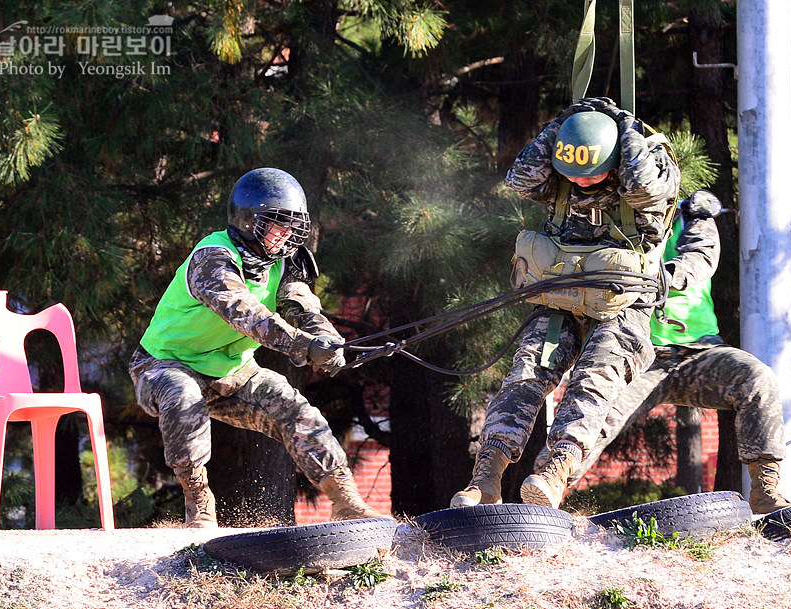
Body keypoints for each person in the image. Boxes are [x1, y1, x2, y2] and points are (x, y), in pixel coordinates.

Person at [451, 97, 681, 510]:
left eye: (594, 172)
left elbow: (645, 186)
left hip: (623, 306)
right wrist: (560, 126)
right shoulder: (562, 178)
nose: (584, 182)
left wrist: (622, 126)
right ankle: (486, 477)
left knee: (592, 383)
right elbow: (520, 178)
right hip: (561, 299)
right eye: (574, 173)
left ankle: (555, 472)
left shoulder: (644, 172)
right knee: (525, 377)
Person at [129, 167, 389, 528]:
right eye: (278, 224)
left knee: (296, 409)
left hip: (233, 372)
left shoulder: (284, 263)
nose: (287, 235)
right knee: (183, 393)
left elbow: (303, 309)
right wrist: (304, 347)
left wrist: (329, 344)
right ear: (250, 220)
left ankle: (345, 500)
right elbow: (246, 315)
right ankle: (198, 498)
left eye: (292, 226)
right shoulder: (213, 257)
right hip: (164, 366)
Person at [538, 189, 791, 514]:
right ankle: (544, 493)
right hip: (639, 356)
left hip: (699, 351)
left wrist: (664, 275)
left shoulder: (691, 217)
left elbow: (701, 256)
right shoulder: (608, 224)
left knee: (757, 378)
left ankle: (766, 489)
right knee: (594, 414)